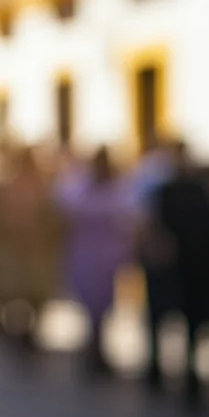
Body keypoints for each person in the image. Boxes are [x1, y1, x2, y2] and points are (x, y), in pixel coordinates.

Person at [151, 141, 209, 410]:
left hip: (203, 270)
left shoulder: (200, 192)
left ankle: (207, 374)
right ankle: (179, 374)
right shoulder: (169, 191)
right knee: (177, 322)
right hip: (184, 270)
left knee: (202, 323)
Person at [57, 147, 136, 378]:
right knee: (89, 302)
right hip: (87, 253)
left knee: (104, 303)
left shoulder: (117, 189)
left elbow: (128, 219)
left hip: (106, 255)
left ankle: (97, 347)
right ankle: (93, 347)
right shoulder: (81, 186)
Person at [0, 147, 63, 347]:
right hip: (16, 249)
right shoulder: (10, 187)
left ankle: (27, 327)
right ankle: (17, 325)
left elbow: (51, 219)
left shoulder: (39, 188)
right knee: (14, 290)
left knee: (30, 292)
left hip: (32, 250)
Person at [129, 137, 175, 392]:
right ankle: (156, 361)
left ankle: (156, 362)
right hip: (158, 250)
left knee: (157, 309)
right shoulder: (155, 172)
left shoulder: (152, 172)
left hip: (159, 251)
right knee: (157, 308)